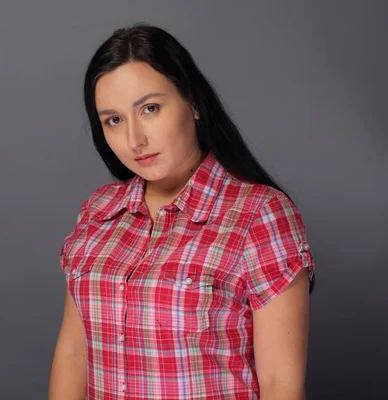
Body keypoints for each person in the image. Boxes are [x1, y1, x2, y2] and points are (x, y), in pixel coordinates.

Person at [49, 23, 316, 400]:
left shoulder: (260, 215)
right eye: (113, 120)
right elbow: (74, 354)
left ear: (192, 103)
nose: (134, 140)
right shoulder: (98, 211)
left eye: (150, 108)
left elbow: (281, 386)